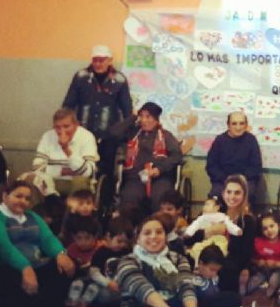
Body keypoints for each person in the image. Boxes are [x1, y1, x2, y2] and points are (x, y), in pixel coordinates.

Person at [115, 214, 240, 307]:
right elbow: (142, 289)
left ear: (165, 236)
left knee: (231, 299)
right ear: (138, 238)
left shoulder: (178, 258)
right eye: (147, 233)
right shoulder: (128, 261)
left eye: (159, 232)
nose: (153, 236)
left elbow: (186, 285)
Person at [0, 180, 75, 307]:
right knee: (10, 276)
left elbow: (48, 239)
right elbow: (2, 246)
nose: (23, 201)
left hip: (36, 264)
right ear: (5, 196)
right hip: (9, 266)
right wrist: (25, 267)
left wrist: (61, 253)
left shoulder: (32, 216)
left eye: (27, 199)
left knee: (64, 264)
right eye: (18, 196)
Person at [62, 45, 132, 207]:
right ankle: (80, 204)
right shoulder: (80, 77)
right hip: (82, 134)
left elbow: (127, 111)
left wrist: (122, 133)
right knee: (81, 170)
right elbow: (68, 105)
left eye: (102, 60)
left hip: (109, 137)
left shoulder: (120, 80)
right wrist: (66, 130)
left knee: (105, 172)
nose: (98, 63)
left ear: (109, 61)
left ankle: (103, 206)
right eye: (95, 60)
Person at [186, 174, 256, 295]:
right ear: (223, 193)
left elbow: (243, 253)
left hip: (227, 260)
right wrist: (208, 232)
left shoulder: (247, 220)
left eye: (237, 193)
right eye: (229, 192)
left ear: (244, 195)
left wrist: (225, 232)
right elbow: (190, 237)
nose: (232, 197)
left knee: (227, 269)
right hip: (204, 252)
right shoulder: (215, 210)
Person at [108, 102, 182, 212]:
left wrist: (158, 170)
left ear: (156, 120)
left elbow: (176, 156)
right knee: (129, 197)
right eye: (141, 116)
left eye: (148, 117)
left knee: (160, 197)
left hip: (159, 178)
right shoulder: (133, 134)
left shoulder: (166, 136)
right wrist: (133, 117)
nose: (143, 120)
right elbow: (113, 133)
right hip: (135, 178)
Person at [32, 108, 99, 196]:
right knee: (30, 179)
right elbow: (37, 166)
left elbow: (87, 172)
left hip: (75, 180)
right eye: (57, 127)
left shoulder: (87, 136)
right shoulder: (48, 136)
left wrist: (66, 149)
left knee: (80, 180)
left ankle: (72, 209)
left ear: (76, 125)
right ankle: (38, 209)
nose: (61, 131)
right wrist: (62, 171)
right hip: (51, 179)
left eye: (66, 126)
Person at [205, 111, 263, 203]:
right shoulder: (220, 140)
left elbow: (255, 167)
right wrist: (226, 179)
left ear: (246, 125)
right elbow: (211, 166)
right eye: (234, 124)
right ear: (228, 125)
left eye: (241, 123)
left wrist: (240, 180)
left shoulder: (251, 140)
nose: (238, 127)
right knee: (215, 196)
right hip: (222, 181)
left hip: (245, 181)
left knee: (249, 194)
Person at [89, 216, 132, 306]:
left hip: (123, 286)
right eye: (119, 241)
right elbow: (94, 273)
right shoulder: (101, 252)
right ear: (108, 236)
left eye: (126, 242)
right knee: (103, 295)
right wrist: (107, 283)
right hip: (106, 286)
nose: (123, 245)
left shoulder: (127, 251)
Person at [64, 215, 101, 307]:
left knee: (93, 287)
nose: (83, 242)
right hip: (79, 279)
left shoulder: (100, 248)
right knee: (77, 283)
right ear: (73, 237)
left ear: (95, 236)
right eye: (79, 238)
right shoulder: (72, 248)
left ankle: (83, 304)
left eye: (87, 238)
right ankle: (72, 303)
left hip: (95, 279)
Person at [249, 212, 280, 297]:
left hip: (278, 270)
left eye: (272, 226)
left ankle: (271, 291)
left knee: (274, 280)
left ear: (279, 226)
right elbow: (250, 258)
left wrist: (276, 264)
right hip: (261, 270)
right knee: (251, 285)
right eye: (265, 229)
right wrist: (258, 262)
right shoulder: (257, 241)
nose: (269, 230)